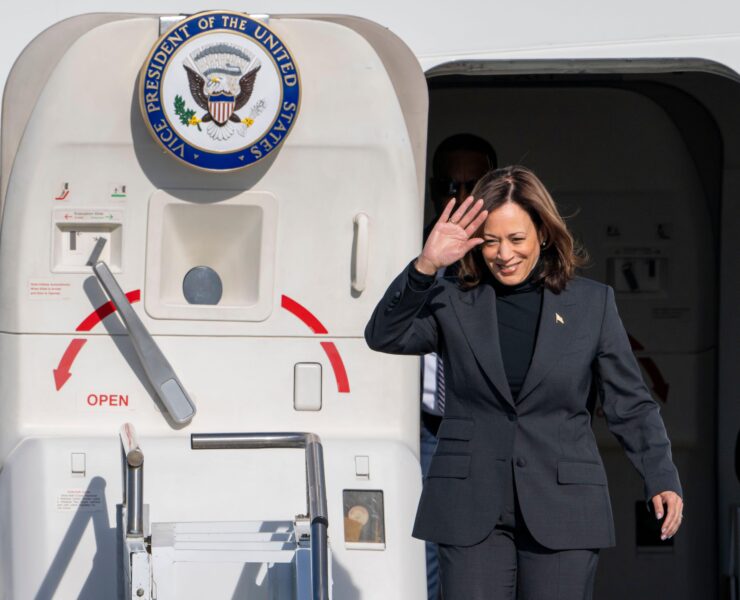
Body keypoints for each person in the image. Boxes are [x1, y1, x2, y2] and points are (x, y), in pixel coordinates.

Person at [365, 166, 683, 599]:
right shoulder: (452, 298)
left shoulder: (592, 304)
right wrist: (426, 266)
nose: (503, 254)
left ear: (544, 234)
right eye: (491, 241)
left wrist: (660, 474)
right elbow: (383, 334)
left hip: (564, 504)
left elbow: (631, 403)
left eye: (516, 240)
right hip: (471, 504)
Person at [421, 134, 496, 600]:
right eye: (452, 185)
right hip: (425, 429)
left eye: (474, 185)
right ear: (434, 190)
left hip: (486, 425)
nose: (463, 198)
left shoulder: (505, 254)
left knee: (483, 554)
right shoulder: (413, 252)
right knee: (428, 556)